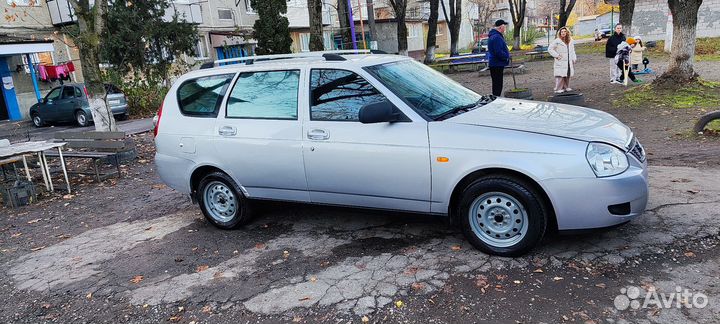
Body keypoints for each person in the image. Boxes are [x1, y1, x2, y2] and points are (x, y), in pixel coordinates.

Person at [547, 27, 577, 93]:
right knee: (560, 75)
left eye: (564, 31)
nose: (563, 33)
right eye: (562, 32)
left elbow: (572, 51)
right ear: (560, 33)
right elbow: (550, 49)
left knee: (567, 74)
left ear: (567, 32)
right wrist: (557, 55)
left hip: (568, 60)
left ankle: (566, 87)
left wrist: (574, 58)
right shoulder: (557, 41)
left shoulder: (570, 40)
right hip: (561, 61)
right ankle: (558, 88)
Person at [487, 19, 510, 97]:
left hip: (494, 63)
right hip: (497, 63)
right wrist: (506, 57)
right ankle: (496, 99)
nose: (505, 29)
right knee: (498, 84)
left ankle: (495, 98)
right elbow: (498, 52)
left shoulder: (493, 36)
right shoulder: (497, 37)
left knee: (496, 83)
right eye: (504, 27)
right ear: (501, 27)